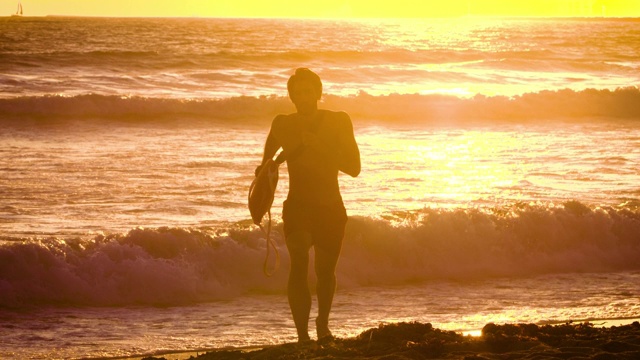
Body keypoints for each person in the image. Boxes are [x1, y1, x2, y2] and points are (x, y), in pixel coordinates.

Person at [257, 68, 361, 343]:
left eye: (308, 91)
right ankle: (302, 335)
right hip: (298, 207)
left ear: (318, 92)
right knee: (299, 262)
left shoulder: (338, 121)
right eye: (297, 92)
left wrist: (321, 146)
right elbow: (265, 166)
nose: (303, 97)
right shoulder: (281, 125)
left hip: (330, 208)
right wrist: (261, 191)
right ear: (291, 97)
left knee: (325, 272)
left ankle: (322, 325)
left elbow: (354, 167)